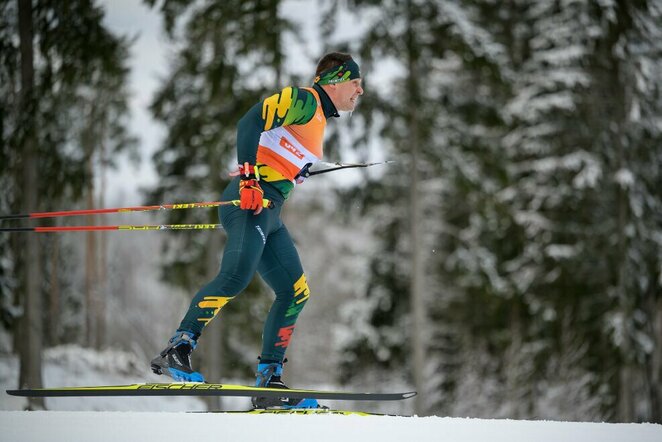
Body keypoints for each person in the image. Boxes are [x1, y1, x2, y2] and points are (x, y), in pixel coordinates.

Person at [150, 52, 363, 409]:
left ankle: (268, 383)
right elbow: (250, 123)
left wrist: (302, 168)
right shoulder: (304, 100)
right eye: (356, 82)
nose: (360, 90)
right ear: (335, 80)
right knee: (235, 276)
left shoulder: (317, 123)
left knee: (295, 292)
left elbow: (279, 152)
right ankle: (179, 348)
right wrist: (249, 178)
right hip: (251, 200)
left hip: (271, 211)